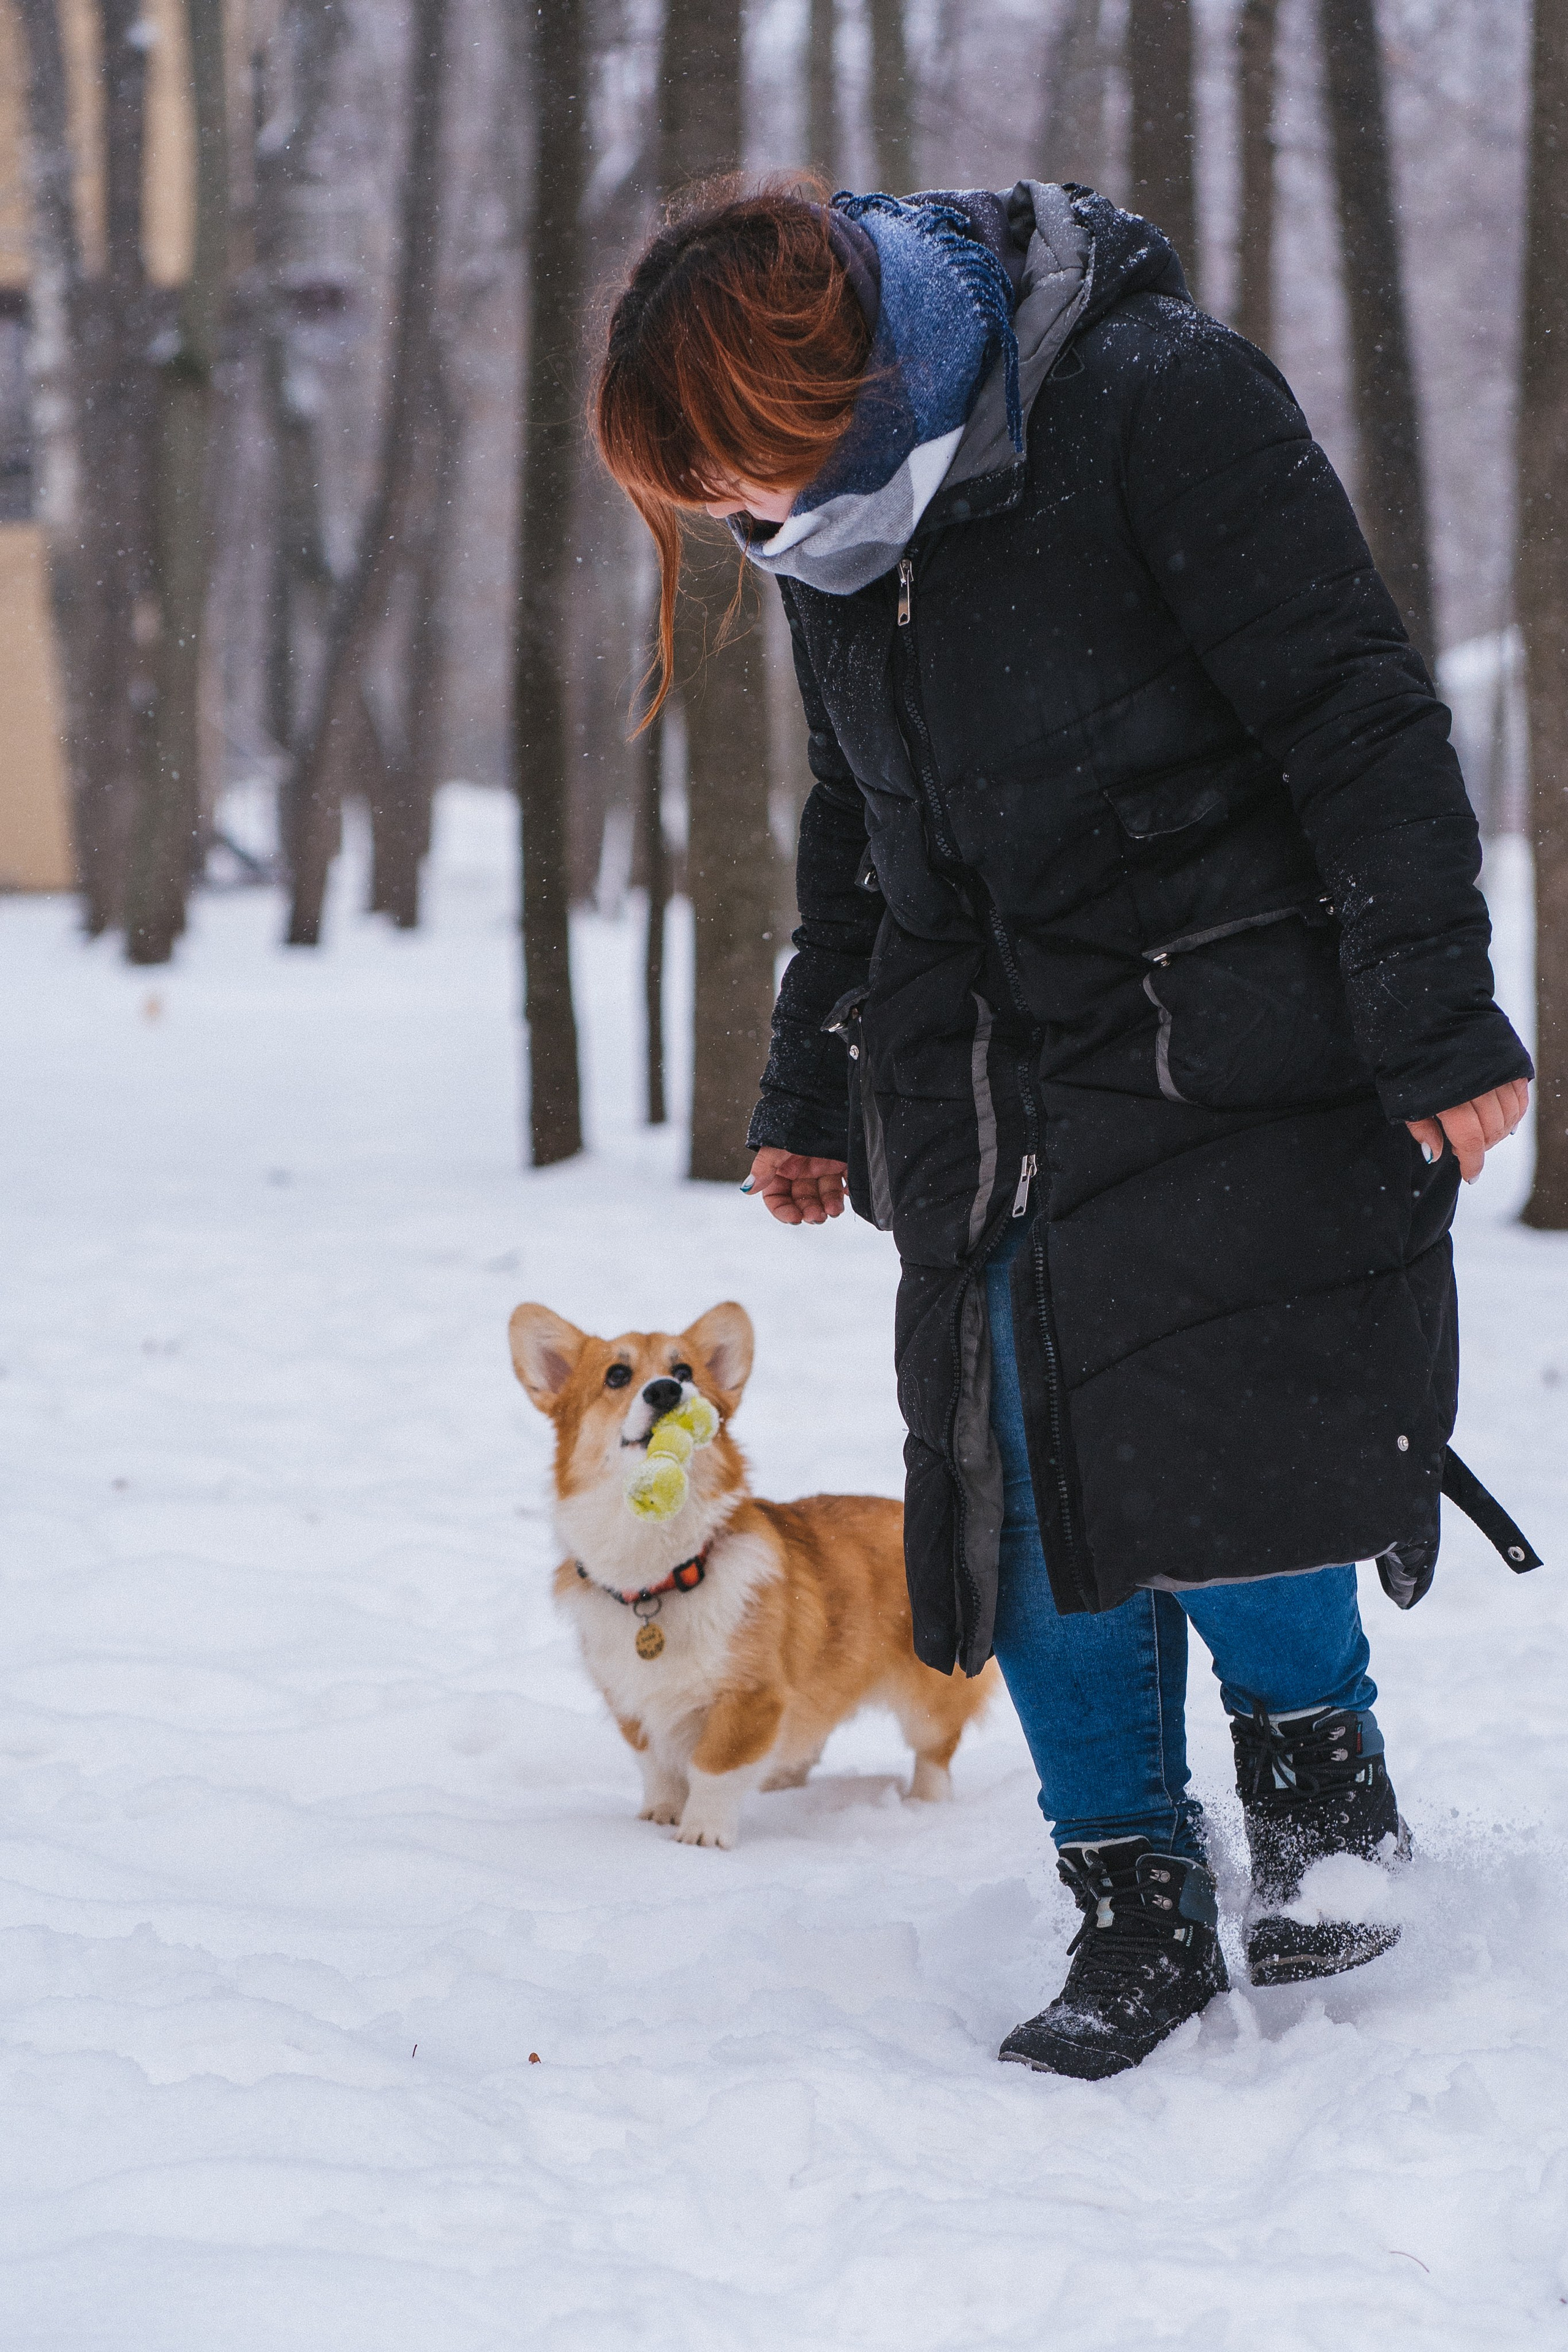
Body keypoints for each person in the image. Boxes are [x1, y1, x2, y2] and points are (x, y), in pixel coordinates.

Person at [592, 176, 1532, 2079]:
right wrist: (808, 1085)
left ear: (815, 385)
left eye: (722, 469)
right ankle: (1132, 1899)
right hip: (980, 1082)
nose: (721, 520)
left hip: (1225, 1042)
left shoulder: (1151, 400)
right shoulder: (835, 533)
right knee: (1010, 1495)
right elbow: (860, 822)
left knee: (1226, 1452)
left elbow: (1355, 715)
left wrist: (1435, 1012)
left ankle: (1325, 1813)